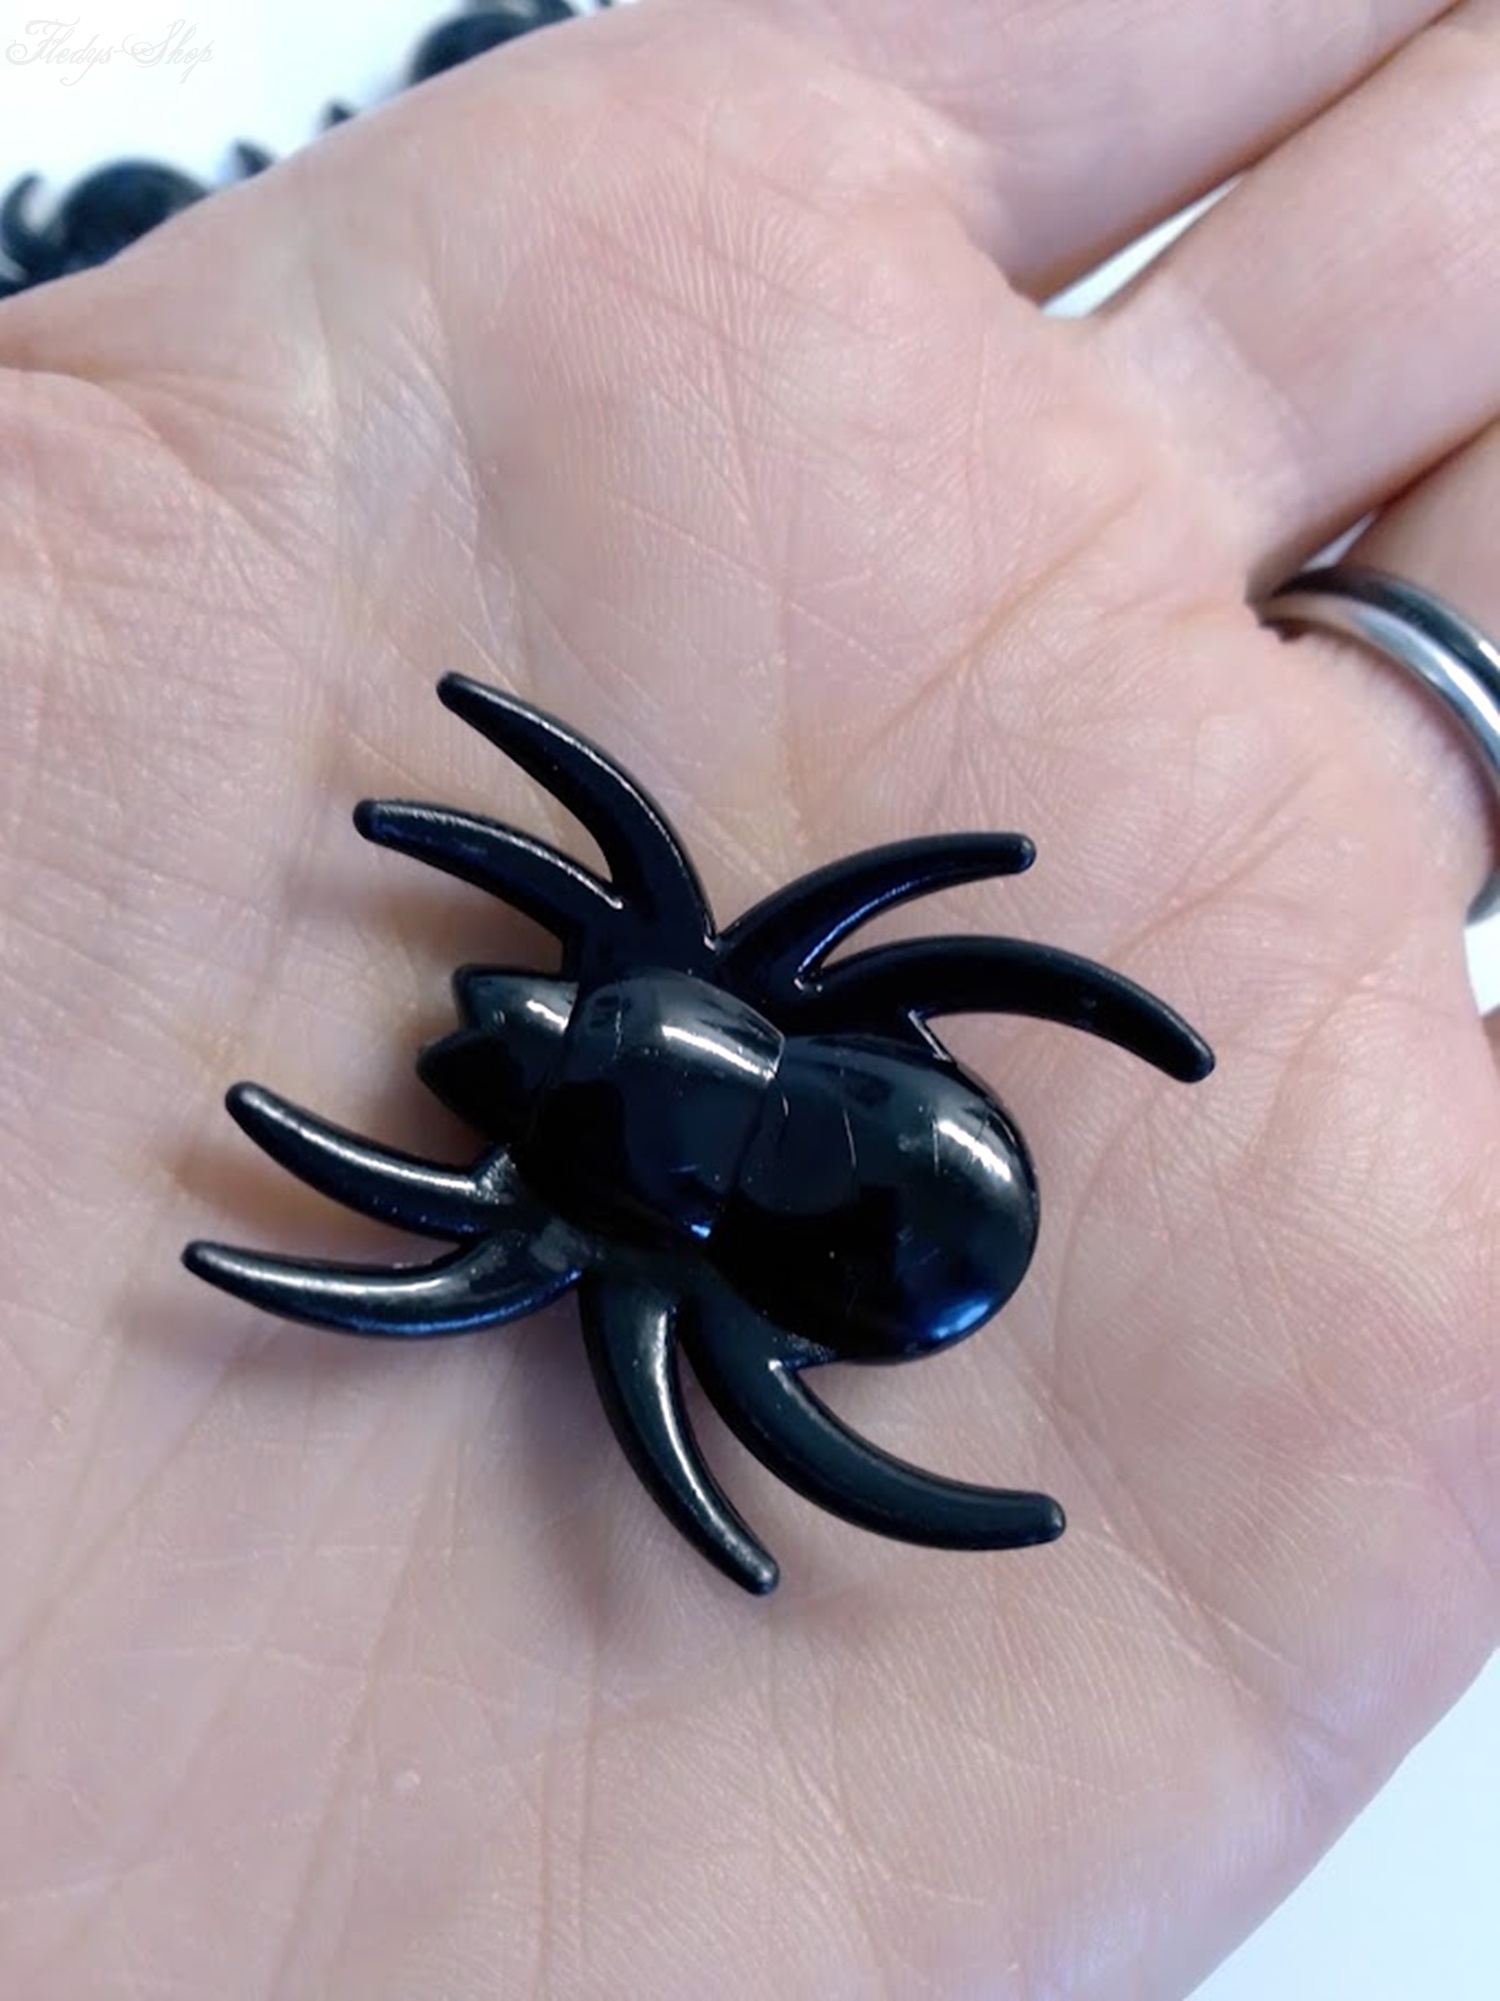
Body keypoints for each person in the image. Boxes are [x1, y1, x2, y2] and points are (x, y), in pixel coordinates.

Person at [0, 2, 1494, 1992]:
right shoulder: (696, 1040)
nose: (504, 1010)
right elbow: (898, 952)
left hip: (881, 1188)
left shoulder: (650, 1139)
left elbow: (917, 942)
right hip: (842, 1160)